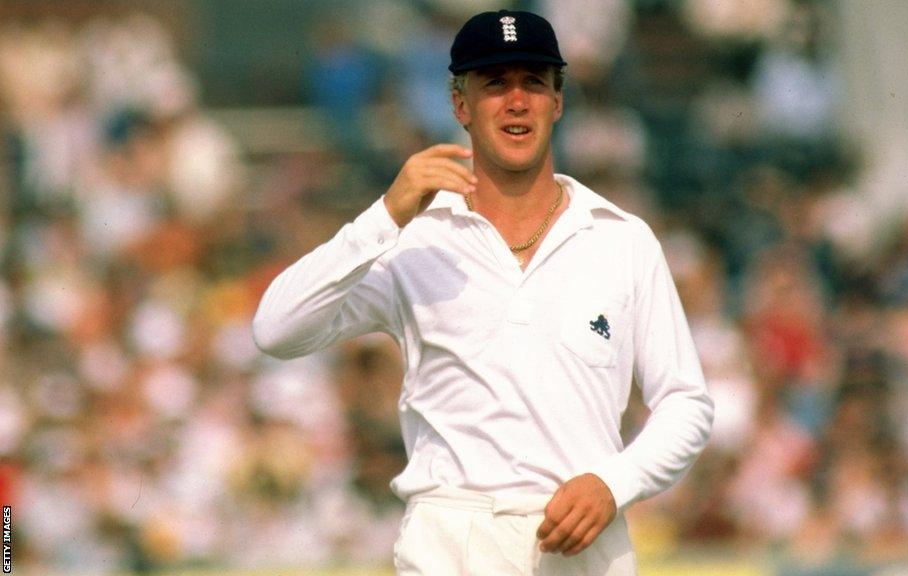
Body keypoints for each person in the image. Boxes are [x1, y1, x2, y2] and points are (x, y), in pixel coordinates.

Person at [253, 9, 713, 575]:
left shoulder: (621, 239)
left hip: (583, 538)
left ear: (558, 102)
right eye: (495, 84)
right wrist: (383, 216)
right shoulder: (414, 240)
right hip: (450, 541)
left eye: (534, 83)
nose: (517, 101)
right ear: (460, 106)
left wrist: (613, 483)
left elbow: (686, 402)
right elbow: (275, 329)